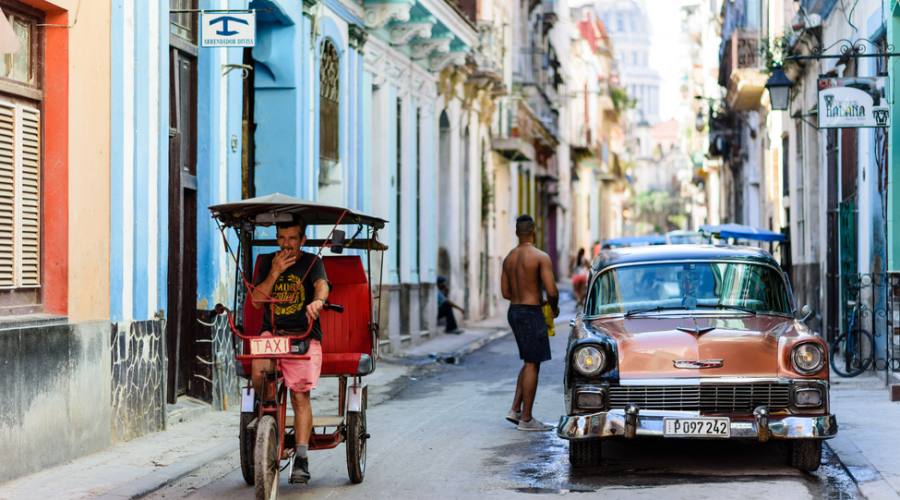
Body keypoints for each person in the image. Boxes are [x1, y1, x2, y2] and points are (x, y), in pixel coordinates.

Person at [250, 217, 329, 484]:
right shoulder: (266, 263)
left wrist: (318, 302)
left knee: (299, 396)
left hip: (302, 336)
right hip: (271, 334)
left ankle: (302, 457)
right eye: (282, 239)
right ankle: (267, 420)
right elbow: (257, 301)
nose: (286, 245)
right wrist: (274, 272)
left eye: (292, 239)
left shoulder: (312, 263)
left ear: (302, 240)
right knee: (258, 373)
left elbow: (322, 285)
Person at [501, 214, 559, 432]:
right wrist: (552, 307)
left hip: (514, 311)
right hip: (531, 313)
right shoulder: (540, 257)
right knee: (533, 363)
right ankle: (527, 419)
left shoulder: (509, 258)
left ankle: (515, 409)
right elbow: (552, 290)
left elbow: (506, 292)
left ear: (517, 232)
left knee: (529, 360)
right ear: (534, 231)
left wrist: (524, 295)